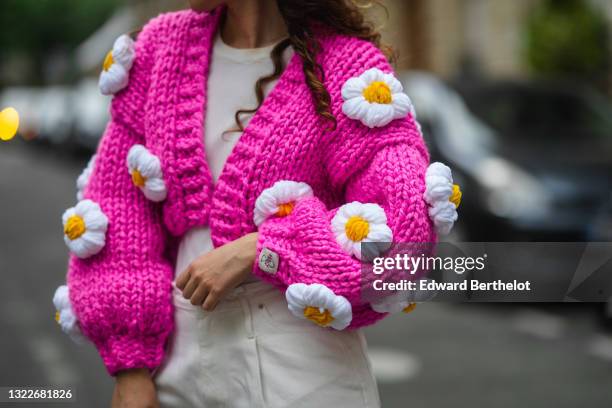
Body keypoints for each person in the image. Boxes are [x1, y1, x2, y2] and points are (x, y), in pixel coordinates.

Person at [60, 0, 435, 406]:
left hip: (305, 374)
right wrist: (131, 369)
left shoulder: (348, 67)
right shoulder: (160, 50)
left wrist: (264, 248)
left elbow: (405, 237)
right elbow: (117, 207)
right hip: (181, 371)